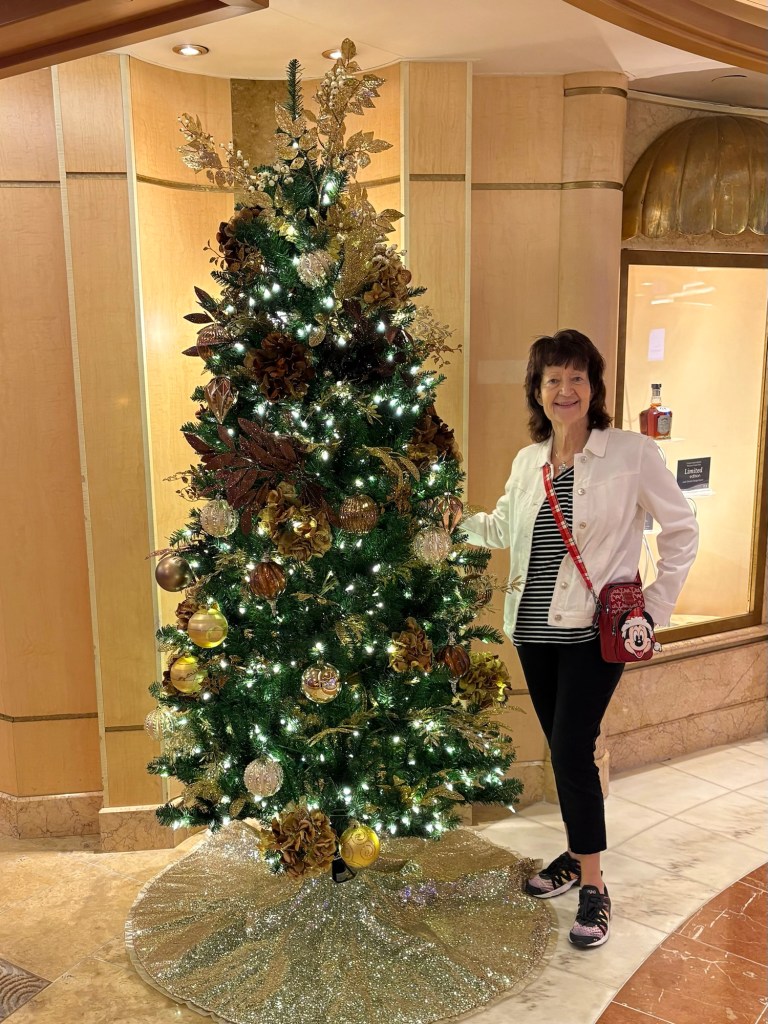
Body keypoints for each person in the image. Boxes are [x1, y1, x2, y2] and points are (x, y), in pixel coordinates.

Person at [461, 329, 698, 949]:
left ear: (593, 388)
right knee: (565, 747)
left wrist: (653, 606)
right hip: (532, 630)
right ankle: (574, 854)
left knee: (570, 750)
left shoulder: (630, 453)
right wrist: (451, 522)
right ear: (537, 391)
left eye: (576, 378)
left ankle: (593, 884)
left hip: (595, 632)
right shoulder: (529, 461)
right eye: (552, 380)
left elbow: (682, 528)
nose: (564, 390)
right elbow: (501, 529)